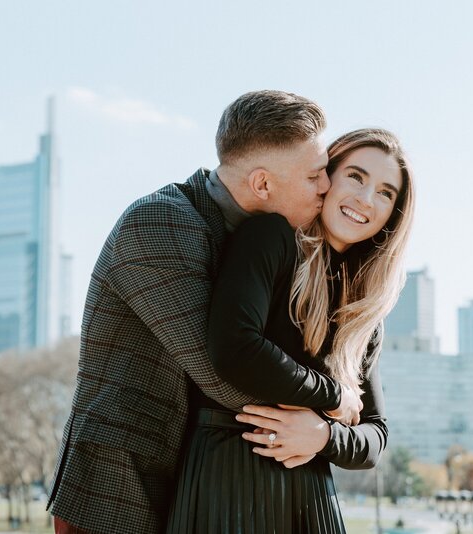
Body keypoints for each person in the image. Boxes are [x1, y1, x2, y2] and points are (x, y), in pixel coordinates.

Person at [48, 90, 361, 534]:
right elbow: (223, 372)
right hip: (120, 490)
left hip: (191, 485)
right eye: (315, 176)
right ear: (263, 184)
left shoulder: (260, 241)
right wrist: (334, 403)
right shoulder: (160, 223)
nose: (326, 186)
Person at [166, 128, 415, 533]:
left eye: (386, 193)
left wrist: (323, 437)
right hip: (229, 476)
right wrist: (332, 397)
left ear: (393, 215)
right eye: (355, 176)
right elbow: (235, 347)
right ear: (325, 177)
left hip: (311, 491)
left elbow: (376, 435)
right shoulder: (272, 238)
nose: (365, 200)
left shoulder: (362, 311)